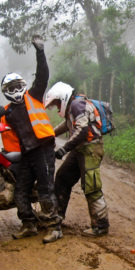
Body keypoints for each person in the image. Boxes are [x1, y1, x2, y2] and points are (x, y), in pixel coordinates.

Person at [0, 35, 63, 243]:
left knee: (45, 189)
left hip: (43, 148)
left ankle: (54, 227)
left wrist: (40, 51)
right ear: (5, 93)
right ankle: (29, 224)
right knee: (21, 190)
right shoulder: (7, 111)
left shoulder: (34, 95)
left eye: (17, 85)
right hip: (26, 153)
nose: (15, 90)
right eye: (10, 88)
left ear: (23, 85)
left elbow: (43, 75)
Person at [44, 82, 110, 237]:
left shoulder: (76, 105)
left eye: (57, 103)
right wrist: (50, 134)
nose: (57, 107)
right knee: (62, 178)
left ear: (63, 98)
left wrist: (63, 148)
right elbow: (67, 125)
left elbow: (82, 129)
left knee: (91, 186)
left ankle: (101, 225)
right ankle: (57, 217)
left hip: (90, 149)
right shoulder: (72, 108)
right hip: (80, 149)